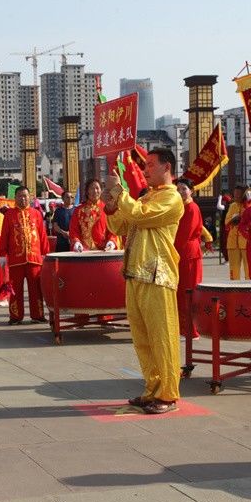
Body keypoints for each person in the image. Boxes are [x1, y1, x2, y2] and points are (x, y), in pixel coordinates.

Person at [105, 149, 184, 414]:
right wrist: (111, 205)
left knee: (162, 337)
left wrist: (119, 192)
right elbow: (120, 226)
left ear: (167, 167)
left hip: (158, 274)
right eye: (145, 165)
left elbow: (139, 215)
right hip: (135, 272)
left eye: (150, 165)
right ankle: (152, 388)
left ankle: (168, 393)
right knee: (142, 338)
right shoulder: (147, 197)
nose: (145, 169)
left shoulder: (172, 198)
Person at [0, 186, 48, 324]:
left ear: (30, 197)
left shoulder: (36, 214)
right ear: (15, 198)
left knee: (36, 289)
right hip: (16, 259)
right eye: (20, 196)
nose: (23, 198)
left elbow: (42, 235)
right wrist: (2, 254)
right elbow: (4, 235)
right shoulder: (9, 215)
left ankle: (37, 315)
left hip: (34, 258)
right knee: (15, 290)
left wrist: (45, 253)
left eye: (25, 196)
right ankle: (15, 316)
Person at [174, 178, 203, 339]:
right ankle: (182, 328)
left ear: (191, 190)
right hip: (180, 252)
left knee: (189, 291)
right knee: (180, 291)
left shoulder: (192, 208)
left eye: (184, 188)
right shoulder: (180, 207)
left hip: (188, 253)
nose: (180, 192)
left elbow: (184, 234)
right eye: (178, 189)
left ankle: (192, 330)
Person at [69, 179, 118, 252]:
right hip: (83, 252)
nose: (95, 191)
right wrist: (77, 242)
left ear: (101, 190)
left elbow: (113, 229)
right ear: (87, 191)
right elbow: (73, 230)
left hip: (103, 252)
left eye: (97, 188)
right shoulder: (78, 210)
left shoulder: (107, 208)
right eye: (92, 188)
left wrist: (111, 242)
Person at [224, 185, 249, 280]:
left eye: (238, 194)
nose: (236, 196)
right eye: (235, 193)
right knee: (233, 269)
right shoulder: (232, 205)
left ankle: (250, 286)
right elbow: (226, 221)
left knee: (248, 269)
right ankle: (234, 286)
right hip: (233, 242)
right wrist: (233, 219)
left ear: (244, 194)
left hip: (246, 243)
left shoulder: (250, 205)